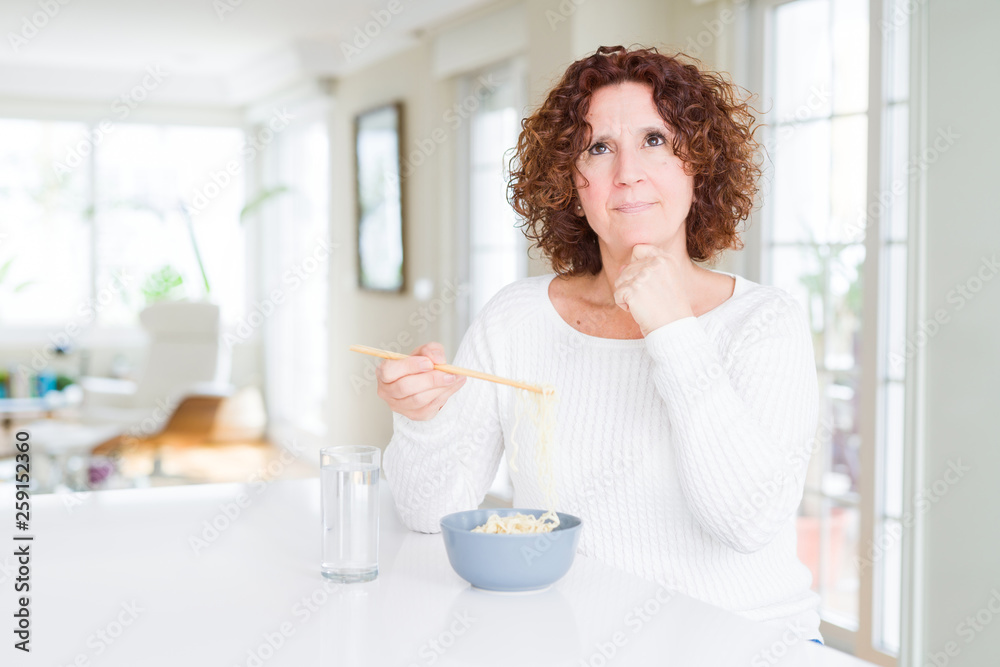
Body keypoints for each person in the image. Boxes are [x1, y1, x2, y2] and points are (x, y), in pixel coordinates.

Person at [376, 45, 822, 641]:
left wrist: (672, 330)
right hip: (575, 638)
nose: (627, 173)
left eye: (655, 140)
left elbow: (749, 522)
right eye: (599, 147)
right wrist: (423, 420)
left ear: (700, 164)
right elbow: (426, 516)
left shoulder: (766, 322)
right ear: (572, 182)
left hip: (750, 643)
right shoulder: (516, 318)